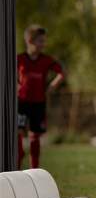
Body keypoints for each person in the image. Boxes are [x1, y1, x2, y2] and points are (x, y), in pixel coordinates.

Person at [17, 24, 66, 169]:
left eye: (44, 41)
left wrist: (51, 87)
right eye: (40, 41)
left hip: (38, 103)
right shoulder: (20, 59)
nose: (43, 44)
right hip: (21, 102)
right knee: (17, 135)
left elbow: (62, 72)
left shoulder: (46, 60)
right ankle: (16, 168)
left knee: (34, 137)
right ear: (30, 41)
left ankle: (34, 171)